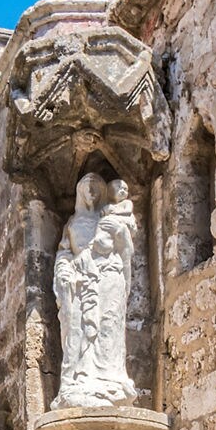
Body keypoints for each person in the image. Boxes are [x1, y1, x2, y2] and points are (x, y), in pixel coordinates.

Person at [53, 172, 137, 408]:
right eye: (86, 188)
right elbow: (64, 253)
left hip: (110, 276)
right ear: (79, 192)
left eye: (95, 188)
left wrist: (120, 233)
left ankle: (112, 380)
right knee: (79, 329)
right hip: (81, 281)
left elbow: (126, 251)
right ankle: (81, 380)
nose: (91, 193)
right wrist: (64, 272)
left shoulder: (110, 217)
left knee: (110, 324)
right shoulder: (72, 223)